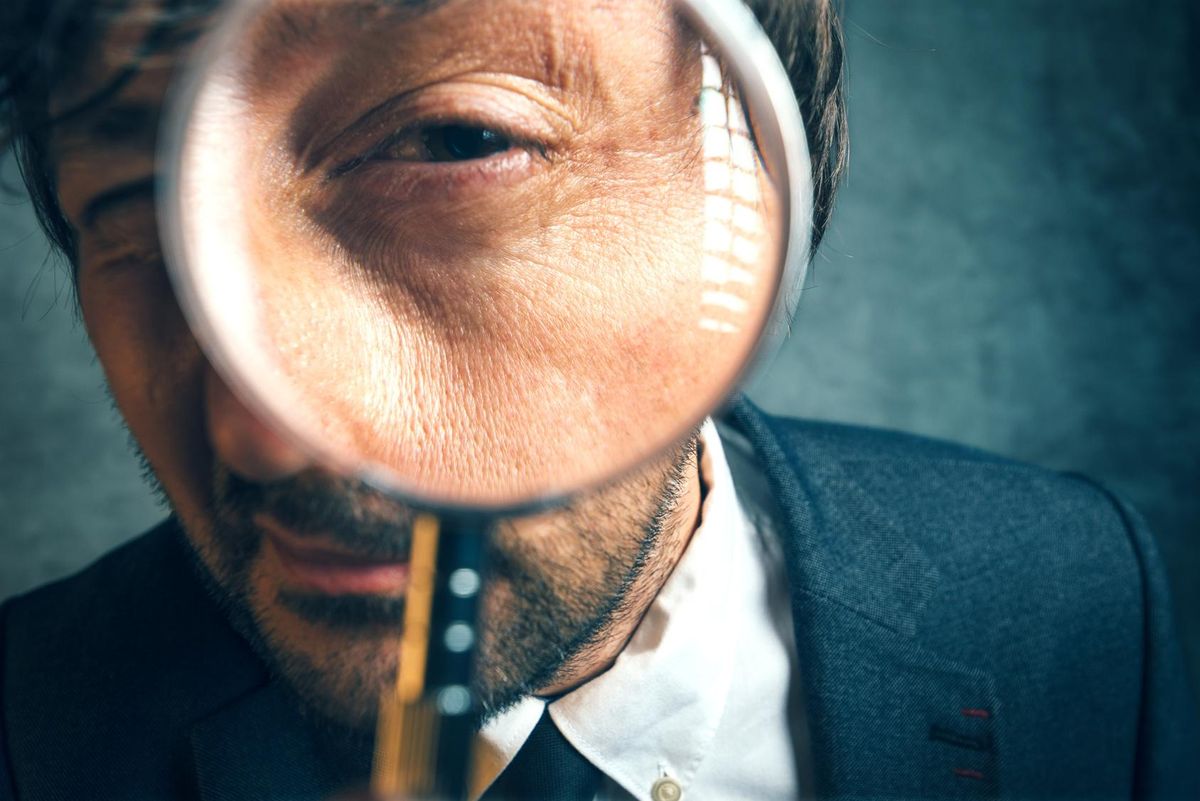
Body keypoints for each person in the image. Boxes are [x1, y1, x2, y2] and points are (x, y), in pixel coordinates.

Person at [1, 1, 1197, 800]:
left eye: (454, 142)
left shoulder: (1075, 592)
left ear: (756, 182)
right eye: (133, 217)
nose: (258, 432)